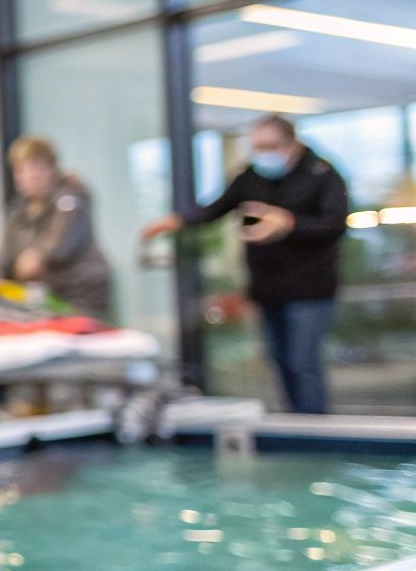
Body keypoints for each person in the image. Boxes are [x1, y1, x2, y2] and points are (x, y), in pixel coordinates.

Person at [141, 114, 348, 414]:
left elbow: (335, 225)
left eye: (269, 145)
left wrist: (289, 224)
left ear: (290, 143)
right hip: (268, 288)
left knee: (303, 362)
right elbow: (215, 207)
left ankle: (315, 427)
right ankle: (295, 422)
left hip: (310, 290)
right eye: (256, 146)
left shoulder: (323, 174)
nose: (263, 152)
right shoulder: (250, 177)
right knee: (281, 362)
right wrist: (174, 221)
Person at [0, 135, 113, 317]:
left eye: (37, 168)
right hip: (43, 301)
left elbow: (47, 255)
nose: (30, 176)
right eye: (22, 170)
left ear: (52, 169)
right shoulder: (17, 212)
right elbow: (0, 262)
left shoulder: (70, 202)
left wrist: (28, 262)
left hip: (79, 301)